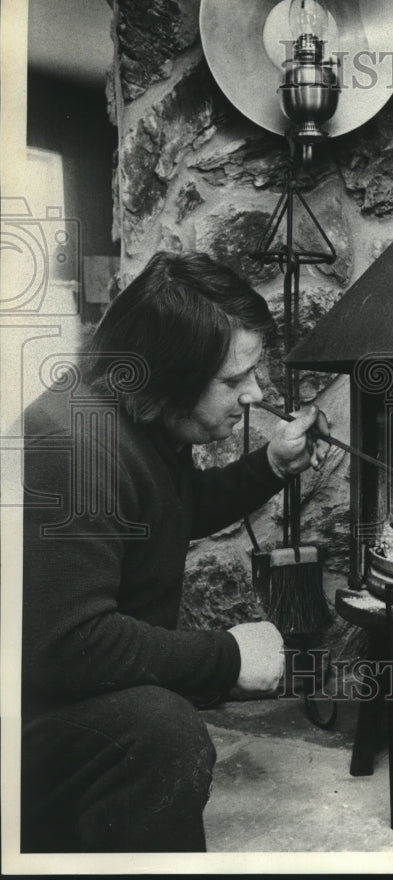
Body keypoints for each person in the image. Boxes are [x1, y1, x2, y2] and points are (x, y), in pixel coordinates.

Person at [21, 251, 330, 853]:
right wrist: (227, 658)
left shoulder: (143, 419)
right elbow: (67, 645)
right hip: (25, 724)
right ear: (167, 372)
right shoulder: (74, 446)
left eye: (255, 374)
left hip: (61, 695)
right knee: (160, 733)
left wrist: (270, 465)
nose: (256, 395)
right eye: (234, 380)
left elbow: (165, 513)